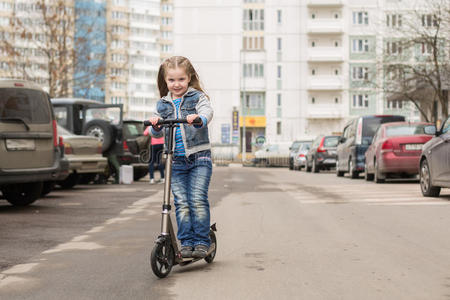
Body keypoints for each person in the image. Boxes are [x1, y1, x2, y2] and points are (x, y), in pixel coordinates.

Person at [148, 56, 213, 259]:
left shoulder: (197, 98)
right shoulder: (162, 104)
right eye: (172, 80)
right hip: (175, 161)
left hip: (199, 158)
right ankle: (186, 242)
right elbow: (155, 133)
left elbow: (207, 112)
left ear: (189, 78)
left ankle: (202, 241)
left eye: (181, 80)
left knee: (197, 199)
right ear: (166, 81)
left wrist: (199, 119)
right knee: (181, 202)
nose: (177, 84)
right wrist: (155, 125)